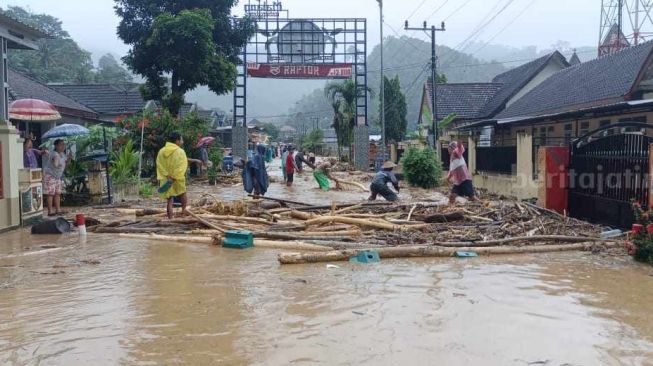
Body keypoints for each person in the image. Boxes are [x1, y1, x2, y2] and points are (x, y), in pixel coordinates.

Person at [157, 132, 189, 219]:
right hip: (177, 178)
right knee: (183, 193)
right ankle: (183, 213)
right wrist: (174, 176)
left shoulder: (161, 151)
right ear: (177, 141)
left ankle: (170, 218)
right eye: (181, 139)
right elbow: (182, 166)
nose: (182, 141)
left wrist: (167, 175)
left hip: (166, 179)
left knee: (169, 199)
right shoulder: (180, 151)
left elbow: (159, 165)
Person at [43, 139, 71, 216]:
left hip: (57, 176)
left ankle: (58, 210)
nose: (63, 146)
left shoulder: (62, 154)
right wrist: (57, 161)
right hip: (50, 175)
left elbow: (65, 166)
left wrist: (68, 159)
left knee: (57, 193)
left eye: (64, 145)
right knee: (50, 194)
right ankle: (50, 211)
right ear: (56, 146)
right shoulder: (54, 154)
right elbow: (56, 165)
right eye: (61, 145)